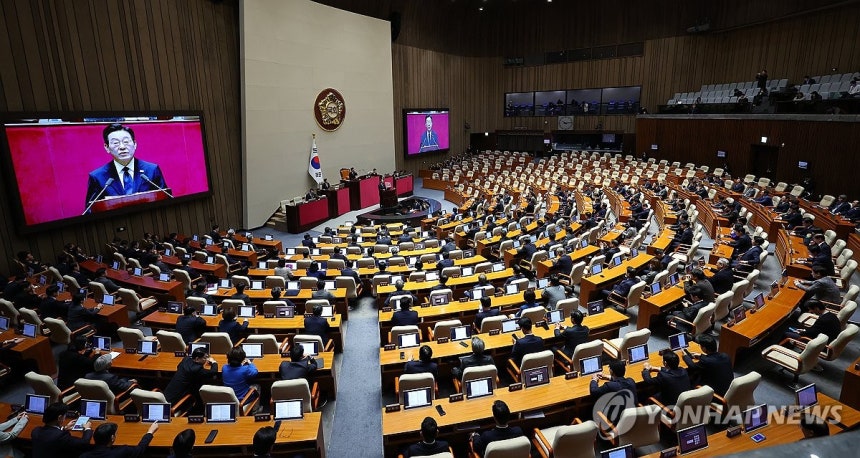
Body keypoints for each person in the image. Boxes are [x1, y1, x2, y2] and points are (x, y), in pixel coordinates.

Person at [85, 123, 168, 211]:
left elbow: (166, 201)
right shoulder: (97, 177)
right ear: (107, 147)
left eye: (126, 142)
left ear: (135, 144)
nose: (122, 147)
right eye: (116, 143)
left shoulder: (152, 170)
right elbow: (90, 211)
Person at [80, 421, 159, 458]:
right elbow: (140, 449)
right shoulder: (122, 452)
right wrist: (150, 432)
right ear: (112, 438)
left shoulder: (84, 456)